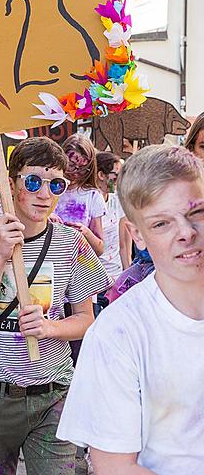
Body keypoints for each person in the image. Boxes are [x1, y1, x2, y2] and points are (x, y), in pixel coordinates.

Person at [0, 137, 113, 475]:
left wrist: (50, 327)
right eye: (33, 182)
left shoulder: (71, 242)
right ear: (10, 183)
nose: (45, 194)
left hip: (55, 395)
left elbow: (87, 321)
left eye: (56, 184)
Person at [57, 144, 204, 474]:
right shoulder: (116, 334)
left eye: (196, 212)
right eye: (161, 224)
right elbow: (114, 467)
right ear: (137, 235)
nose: (186, 233)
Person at [55, 134, 105, 256]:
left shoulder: (92, 196)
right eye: (71, 165)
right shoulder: (47, 187)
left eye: (83, 168)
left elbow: (100, 249)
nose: (76, 172)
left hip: (78, 267)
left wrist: (85, 232)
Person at [96, 151, 132, 280]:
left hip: (116, 277)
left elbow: (123, 244)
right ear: (101, 175)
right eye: (115, 175)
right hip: (96, 282)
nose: (119, 180)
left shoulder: (116, 199)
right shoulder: (89, 202)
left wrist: (128, 273)